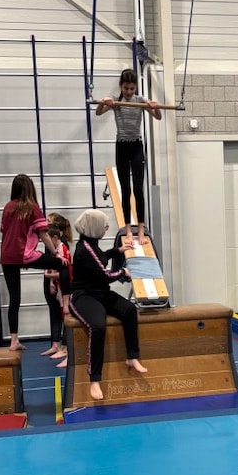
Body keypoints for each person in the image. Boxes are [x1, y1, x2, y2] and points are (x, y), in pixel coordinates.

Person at [69, 208, 147, 401]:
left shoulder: (90, 244)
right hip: (83, 296)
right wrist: (122, 272)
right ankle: (94, 379)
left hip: (100, 293)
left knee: (129, 310)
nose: (106, 229)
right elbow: (104, 275)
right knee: (98, 326)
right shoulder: (84, 249)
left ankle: (132, 356)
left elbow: (101, 258)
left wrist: (117, 251)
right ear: (94, 227)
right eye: (104, 227)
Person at [0, 173, 70, 352]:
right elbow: (44, 234)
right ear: (30, 189)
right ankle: (66, 301)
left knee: (14, 299)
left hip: (7, 256)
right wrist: (55, 254)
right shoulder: (32, 208)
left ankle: (13, 340)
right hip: (24, 254)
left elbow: (4, 230)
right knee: (63, 265)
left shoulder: (8, 207)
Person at [95, 68, 162, 246]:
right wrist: (104, 102)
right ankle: (128, 229)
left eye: (132, 88)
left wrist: (155, 108)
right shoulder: (116, 101)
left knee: (138, 189)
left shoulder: (140, 101)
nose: (129, 92)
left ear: (136, 87)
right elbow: (98, 112)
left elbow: (158, 117)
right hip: (122, 147)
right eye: (126, 88)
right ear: (120, 86)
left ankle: (140, 228)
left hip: (136, 146)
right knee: (126, 189)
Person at [40, 213, 74, 367]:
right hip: (54, 281)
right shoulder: (50, 241)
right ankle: (56, 344)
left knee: (64, 313)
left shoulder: (61, 245)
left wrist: (51, 280)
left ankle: (65, 347)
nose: (45, 222)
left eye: (48, 220)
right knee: (55, 312)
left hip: (60, 283)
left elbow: (63, 268)